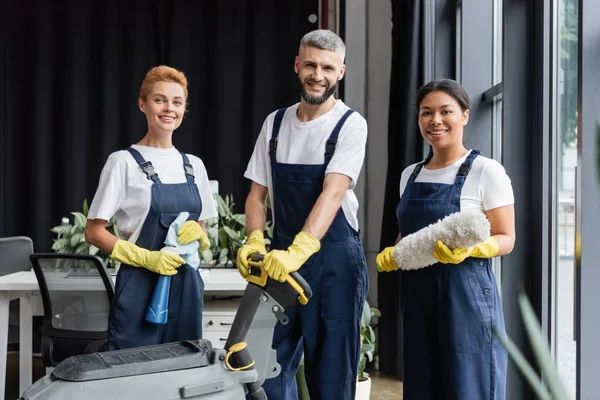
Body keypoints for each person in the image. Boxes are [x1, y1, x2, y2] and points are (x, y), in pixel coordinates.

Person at [237, 29, 369, 399]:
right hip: (279, 260)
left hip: (333, 264)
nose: (317, 74)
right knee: (263, 369)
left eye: (327, 67)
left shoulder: (350, 124)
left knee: (330, 375)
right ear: (297, 65)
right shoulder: (275, 124)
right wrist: (254, 239)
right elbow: (257, 195)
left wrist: (301, 248)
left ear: (340, 71)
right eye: (310, 64)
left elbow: (334, 191)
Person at [376, 79, 515, 400]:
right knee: (423, 386)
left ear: (465, 115)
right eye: (426, 113)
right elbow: (410, 233)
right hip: (417, 298)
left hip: (466, 298)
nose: (435, 120)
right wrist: (395, 252)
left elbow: (507, 237)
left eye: (445, 111)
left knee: (469, 388)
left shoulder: (486, 171)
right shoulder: (410, 175)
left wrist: (475, 249)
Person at [85, 65, 218, 350]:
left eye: (177, 102)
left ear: (184, 108)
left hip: (186, 287)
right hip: (139, 286)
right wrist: (146, 258)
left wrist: (201, 235)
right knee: (135, 373)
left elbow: (203, 228)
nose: (169, 108)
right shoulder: (122, 162)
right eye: (160, 100)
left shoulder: (194, 166)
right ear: (142, 103)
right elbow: (94, 232)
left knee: (183, 370)